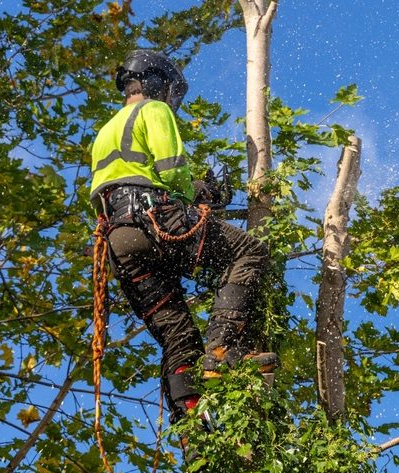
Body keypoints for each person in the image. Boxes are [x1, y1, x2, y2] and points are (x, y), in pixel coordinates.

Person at [89, 50, 277, 438]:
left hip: (121, 241)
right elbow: (172, 173)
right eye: (172, 92)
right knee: (249, 251)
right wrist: (205, 192)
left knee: (178, 335)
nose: (173, 101)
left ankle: (192, 427)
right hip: (155, 215)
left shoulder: (104, 131)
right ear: (156, 83)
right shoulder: (154, 112)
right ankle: (223, 349)